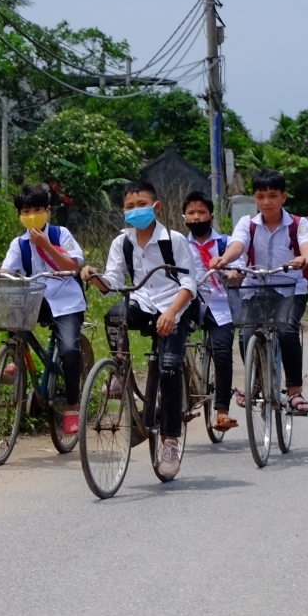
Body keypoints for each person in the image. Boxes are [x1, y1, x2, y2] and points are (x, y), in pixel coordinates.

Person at [96, 179, 204, 480]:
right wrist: (94, 276)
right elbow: (113, 282)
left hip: (175, 307)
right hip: (141, 303)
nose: (135, 211)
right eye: (130, 207)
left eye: (141, 205)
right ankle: (119, 371)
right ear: (123, 211)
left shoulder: (174, 241)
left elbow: (189, 284)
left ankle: (170, 440)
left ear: (156, 207)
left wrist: (171, 312)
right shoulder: (123, 242)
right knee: (114, 316)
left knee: (169, 368)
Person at [215, 169, 308, 415]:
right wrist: (225, 259)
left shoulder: (299, 223)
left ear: (283, 197)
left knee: (286, 330)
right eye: (261, 196)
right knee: (246, 333)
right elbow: (237, 245)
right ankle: (255, 383)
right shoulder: (247, 224)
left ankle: (294, 391)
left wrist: (304, 258)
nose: (266, 202)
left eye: (273, 196)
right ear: (255, 197)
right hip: (256, 287)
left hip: (290, 289)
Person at [0, 184, 88, 435]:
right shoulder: (19, 244)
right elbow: (7, 271)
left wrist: (46, 245)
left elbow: (74, 267)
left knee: (70, 351)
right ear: (19, 214)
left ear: (47, 211)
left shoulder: (61, 235)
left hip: (67, 300)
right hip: (38, 298)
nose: (31, 215)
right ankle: (16, 355)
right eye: (26, 211)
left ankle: (73, 405)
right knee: (15, 304)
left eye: (37, 209)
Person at [181, 191, 238, 432]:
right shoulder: (178, 244)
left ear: (211, 216)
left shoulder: (226, 243)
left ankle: (223, 411)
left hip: (220, 304)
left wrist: (235, 273)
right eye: (191, 213)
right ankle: (179, 399)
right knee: (170, 348)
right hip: (190, 302)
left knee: (223, 354)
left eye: (201, 212)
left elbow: (239, 267)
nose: (196, 218)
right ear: (184, 217)